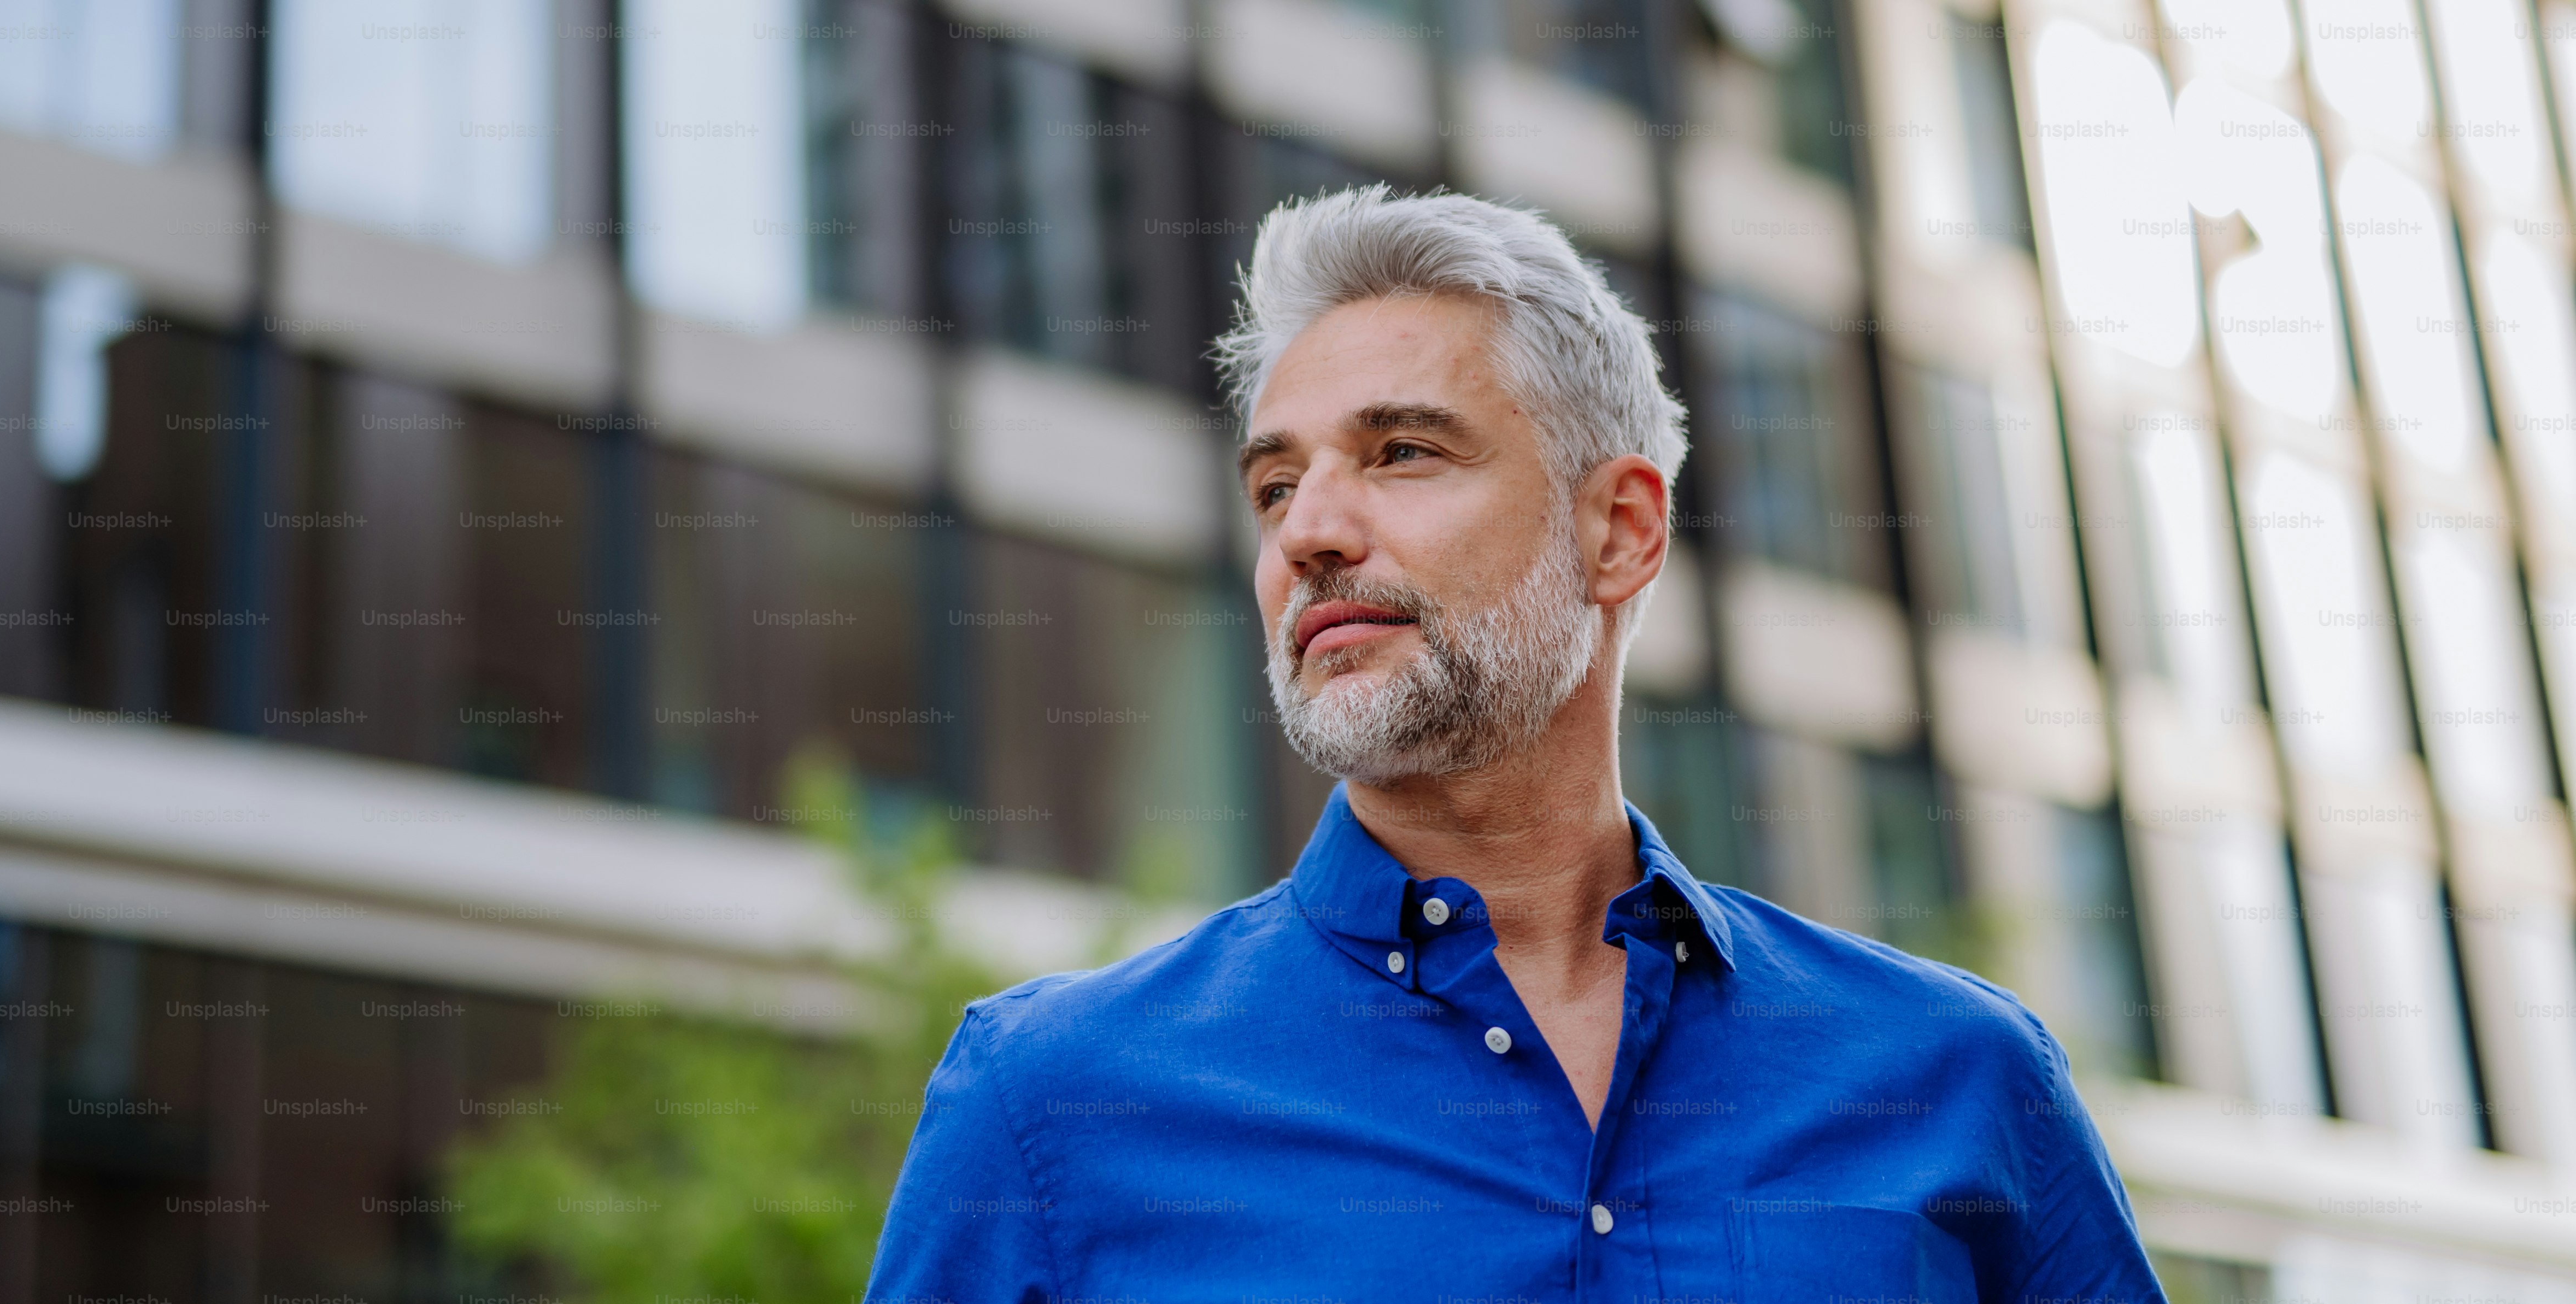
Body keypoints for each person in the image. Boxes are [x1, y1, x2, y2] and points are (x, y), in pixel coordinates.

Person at [864, 186, 2162, 1301]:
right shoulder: (1048, 1104)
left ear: (1619, 532)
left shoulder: (1962, 1078)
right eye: (1274, 485)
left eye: (1403, 451)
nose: (1309, 530)